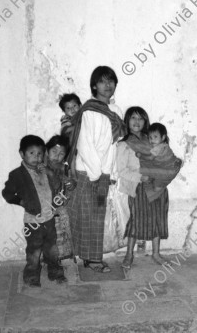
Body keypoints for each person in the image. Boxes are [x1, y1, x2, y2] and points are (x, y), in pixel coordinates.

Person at [65, 66, 126, 273]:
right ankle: (91, 260)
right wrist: (96, 175)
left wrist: (110, 173)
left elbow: (114, 145)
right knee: (87, 216)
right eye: (102, 81)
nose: (107, 85)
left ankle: (91, 257)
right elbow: (85, 144)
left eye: (111, 81)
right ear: (94, 85)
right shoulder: (89, 111)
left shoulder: (116, 111)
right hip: (88, 173)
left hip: (104, 173)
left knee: (97, 216)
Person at [117, 107, 182, 270]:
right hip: (139, 187)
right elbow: (122, 171)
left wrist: (168, 169)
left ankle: (156, 253)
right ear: (127, 121)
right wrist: (141, 177)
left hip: (158, 185)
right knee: (136, 220)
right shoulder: (124, 144)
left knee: (157, 219)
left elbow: (165, 157)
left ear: (145, 121)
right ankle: (129, 254)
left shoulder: (152, 139)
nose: (136, 122)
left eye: (140, 118)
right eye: (133, 118)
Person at [2, 135, 67, 286]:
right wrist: (22, 202)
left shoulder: (45, 170)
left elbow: (57, 186)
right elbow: (7, 193)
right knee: (34, 251)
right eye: (31, 153)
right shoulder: (17, 175)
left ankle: (55, 272)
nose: (36, 158)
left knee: (52, 249)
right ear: (22, 154)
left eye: (39, 154)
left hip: (49, 218)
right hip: (33, 221)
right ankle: (31, 276)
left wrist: (50, 173)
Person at [44, 135, 76, 261]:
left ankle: (59, 260)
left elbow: (70, 187)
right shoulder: (41, 168)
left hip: (60, 209)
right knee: (47, 237)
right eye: (54, 152)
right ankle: (50, 262)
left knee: (60, 236)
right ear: (47, 151)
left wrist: (71, 184)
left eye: (61, 153)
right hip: (44, 210)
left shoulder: (64, 168)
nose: (57, 156)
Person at [135, 123, 179, 192]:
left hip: (168, 170)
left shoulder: (158, 148)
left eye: (155, 137)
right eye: (150, 137)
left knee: (156, 189)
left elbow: (150, 158)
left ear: (163, 137)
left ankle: (156, 183)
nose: (152, 140)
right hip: (173, 165)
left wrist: (140, 156)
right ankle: (153, 179)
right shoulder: (164, 145)